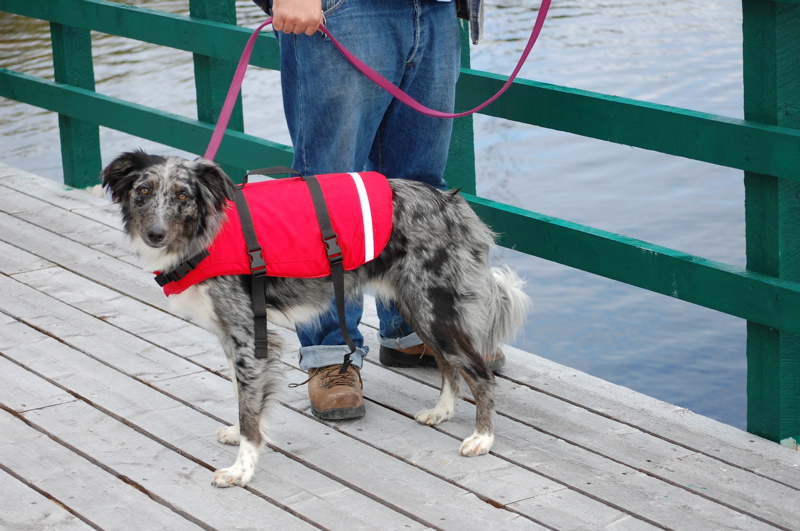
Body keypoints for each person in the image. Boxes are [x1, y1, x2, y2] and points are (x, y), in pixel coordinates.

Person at [254, 0, 501, 421]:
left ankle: (411, 328)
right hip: (343, 10)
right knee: (327, 194)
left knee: (421, 189)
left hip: (435, 11)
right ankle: (331, 354)